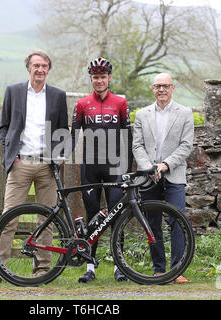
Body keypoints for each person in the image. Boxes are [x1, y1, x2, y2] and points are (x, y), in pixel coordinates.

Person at [0, 49, 69, 284]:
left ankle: (42, 269)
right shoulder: (13, 92)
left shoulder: (57, 95)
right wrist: (11, 155)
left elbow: (64, 128)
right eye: (36, 66)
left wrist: (61, 153)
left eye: (44, 66)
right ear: (29, 68)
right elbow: (4, 127)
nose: (40, 70)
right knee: (8, 218)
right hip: (20, 163)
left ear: (48, 69)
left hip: (47, 166)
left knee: (46, 219)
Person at [71, 57, 133, 283]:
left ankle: (119, 266)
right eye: (95, 77)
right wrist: (60, 155)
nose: (99, 80)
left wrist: (127, 170)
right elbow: (72, 136)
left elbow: (128, 138)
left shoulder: (120, 103)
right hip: (90, 167)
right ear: (91, 78)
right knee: (93, 218)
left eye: (103, 77)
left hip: (115, 167)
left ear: (109, 78)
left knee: (117, 217)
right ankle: (90, 267)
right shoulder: (81, 104)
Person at [132, 73, 194, 284]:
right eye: (158, 86)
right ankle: (159, 270)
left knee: (178, 220)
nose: (161, 90)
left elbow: (186, 145)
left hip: (174, 175)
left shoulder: (185, 113)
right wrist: (149, 167)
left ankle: (177, 271)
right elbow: (137, 146)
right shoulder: (142, 115)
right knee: (152, 223)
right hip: (150, 177)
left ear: (173, 88)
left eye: (165, 86)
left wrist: (166, 165)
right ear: (152, 89)